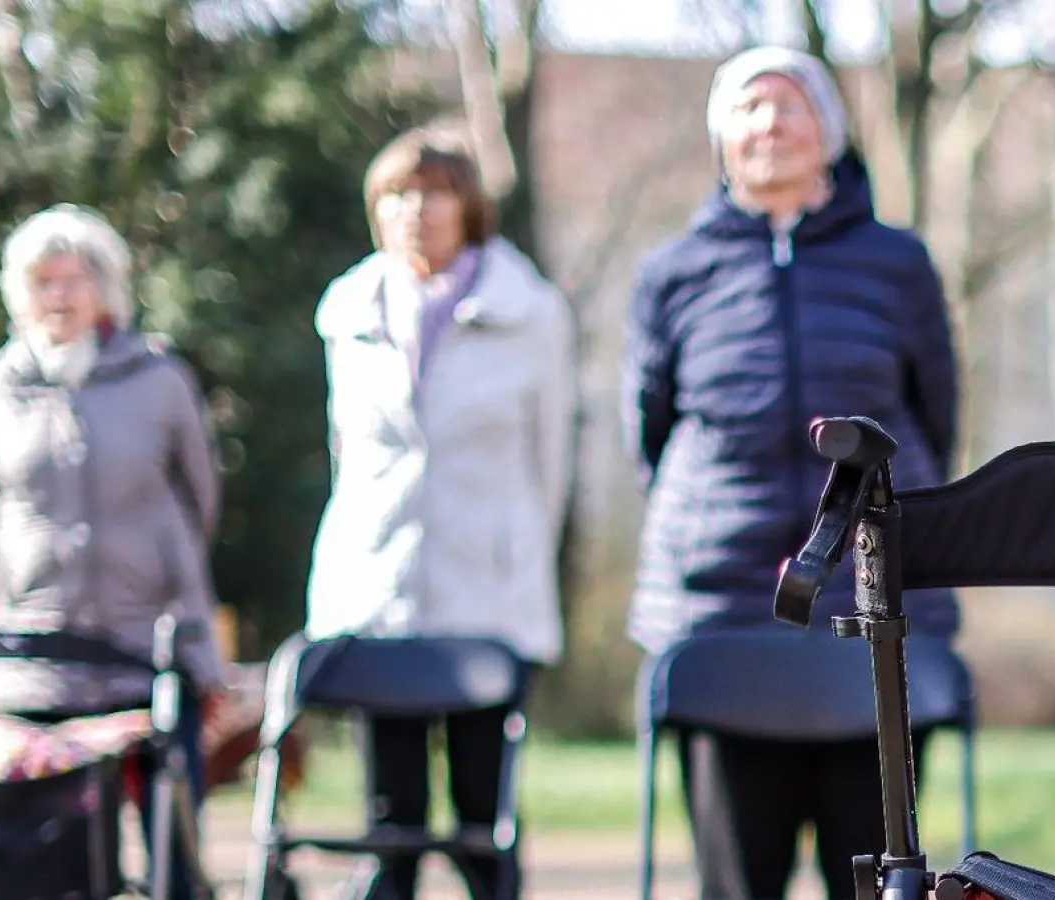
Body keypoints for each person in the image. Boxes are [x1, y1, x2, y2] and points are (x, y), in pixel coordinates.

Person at [622, 46, 960, 900]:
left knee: (879, 876)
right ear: (721, 137)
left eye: (791, 105)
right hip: (722, 611)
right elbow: (650, 433)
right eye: (748, 108)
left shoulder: (899, 262)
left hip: (873, 610)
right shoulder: (670, 273)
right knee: (737, 878)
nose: (769, 124)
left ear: (829, 132)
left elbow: (936, 417)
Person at [305, 129, 576, 900]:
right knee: (391, 819)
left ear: (468, 206)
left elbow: (548, 464)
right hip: (378, 592)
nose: (415, 211)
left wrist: (516, 556)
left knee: (480, 820)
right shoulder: (348, 312)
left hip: (485, 592)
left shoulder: (533, 314)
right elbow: (346, 459)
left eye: (434, 192)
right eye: (396, 195)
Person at [0, 203, 227, 900]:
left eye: (75, 278)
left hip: (151, 646)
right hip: (38, 655)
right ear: (21, 292)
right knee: (47, 857)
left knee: (173, 849)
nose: (60, 294)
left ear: (105, 288)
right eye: (44, 280)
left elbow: (200, 498)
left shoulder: (160, 379)